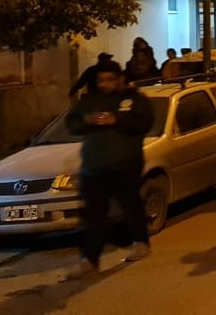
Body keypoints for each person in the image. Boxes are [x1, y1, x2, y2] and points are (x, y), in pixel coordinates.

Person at [63, 60, 154, 279]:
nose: (105, 84)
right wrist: (87, 120)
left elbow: (144, 122)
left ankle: (141, 242)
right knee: (94, 215)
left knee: (131, 206)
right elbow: (72, 123)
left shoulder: (134, 99)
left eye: (110, 79)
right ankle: (90, 260)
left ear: (120, 79)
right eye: (101, 80)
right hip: (94, 167)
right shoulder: (91, 100)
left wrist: (116, 119)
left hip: (125, 165)